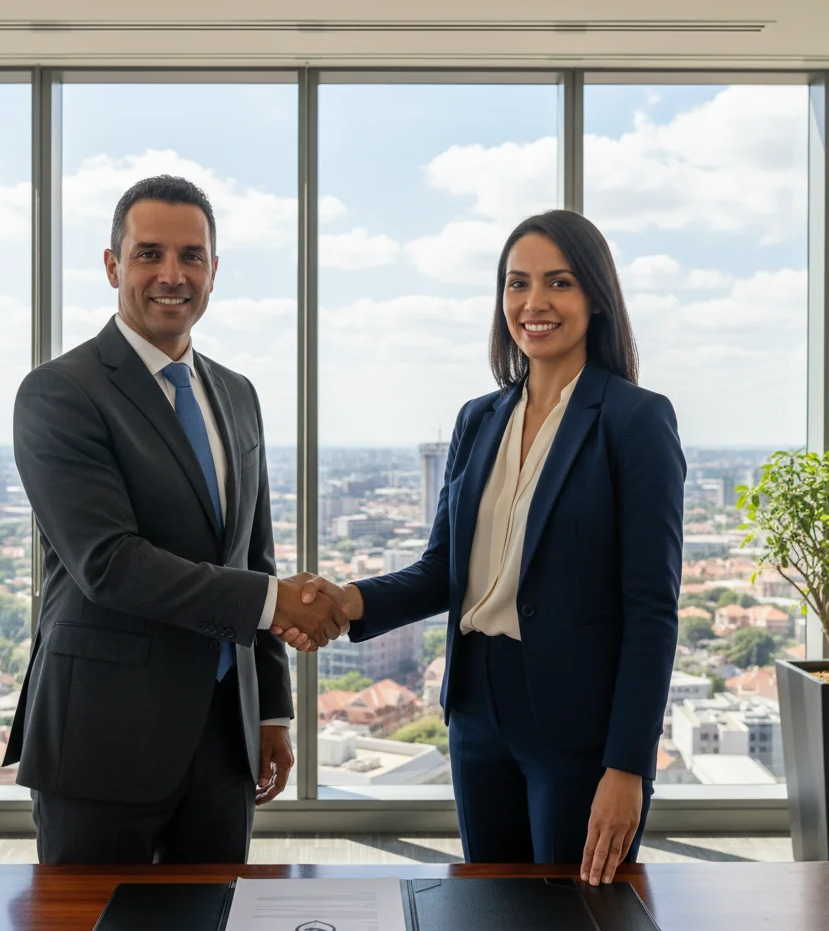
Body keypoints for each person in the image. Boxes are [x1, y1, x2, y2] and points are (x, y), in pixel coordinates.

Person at [278, 210, 686, 885]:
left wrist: (629, 766)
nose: (534, 303)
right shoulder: (479, 418)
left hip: (576, 722)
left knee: (578, 929)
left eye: (558, 282)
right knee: (491, 915)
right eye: (516, 283)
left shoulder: (635, 421)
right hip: (476, 710)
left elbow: (652, 610)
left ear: (596, 297)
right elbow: (446, 570)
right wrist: (348, 602)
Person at [4, 174, 346, 864]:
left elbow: (255, 556)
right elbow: (109, 563)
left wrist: (270, 710)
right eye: (148, 254)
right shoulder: (59, 393)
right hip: (102, 738)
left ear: (214, 272)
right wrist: (275, 603)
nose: (172, 275)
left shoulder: (238, 395)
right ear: (112, 266)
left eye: (192, 256)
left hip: (224, 740)